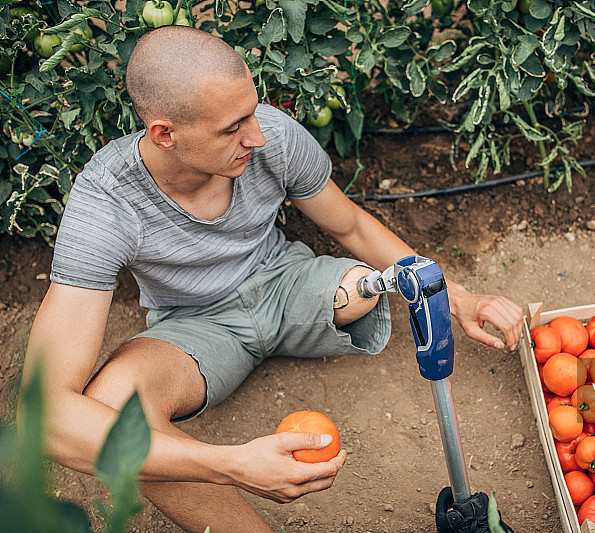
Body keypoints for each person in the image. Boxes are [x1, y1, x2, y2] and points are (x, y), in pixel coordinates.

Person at [21, 26, 524, 533]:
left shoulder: (272, 135)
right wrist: (233, 464)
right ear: (165, 135)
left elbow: (349, 224)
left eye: (253, 112)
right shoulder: (105, 202)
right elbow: (46, 417)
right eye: (231, 128)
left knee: (361, 288)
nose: (256, 137)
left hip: (286, 285)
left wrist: (458, 297)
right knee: (115, 411)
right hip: (195, 328)